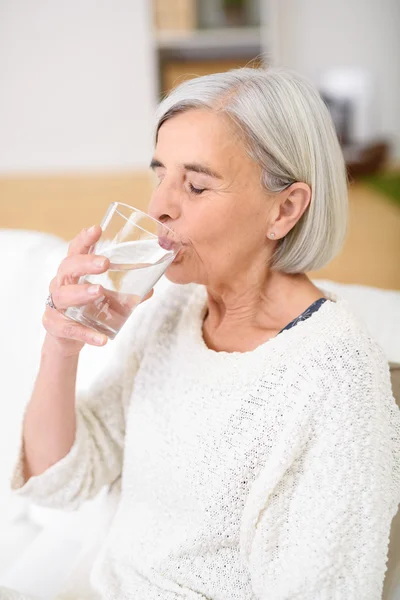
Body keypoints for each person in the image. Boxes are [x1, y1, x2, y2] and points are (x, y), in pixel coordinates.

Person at [3, 67, 400, 600]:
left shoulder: (337, 376)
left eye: (195, 184)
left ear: (284, 209)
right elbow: (60, 479)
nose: (159, 206)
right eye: (160, 174)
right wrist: (62, 344)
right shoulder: (175, 307)